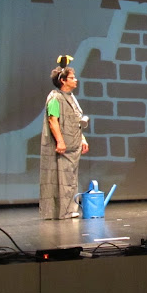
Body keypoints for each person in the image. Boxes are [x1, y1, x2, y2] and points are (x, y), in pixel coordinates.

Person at [39, 55, 89, 219]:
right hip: (63, 147)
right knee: (61, 179)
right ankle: (63, 211)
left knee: (70, 179)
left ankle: (69, 210)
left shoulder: (71, 97)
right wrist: (60, 141)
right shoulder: (55, 98)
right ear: (63, 80)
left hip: (73, 145)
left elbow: (76, 120)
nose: (75, 80)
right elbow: (53, 120)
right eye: (72, 78)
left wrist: (82, 139)